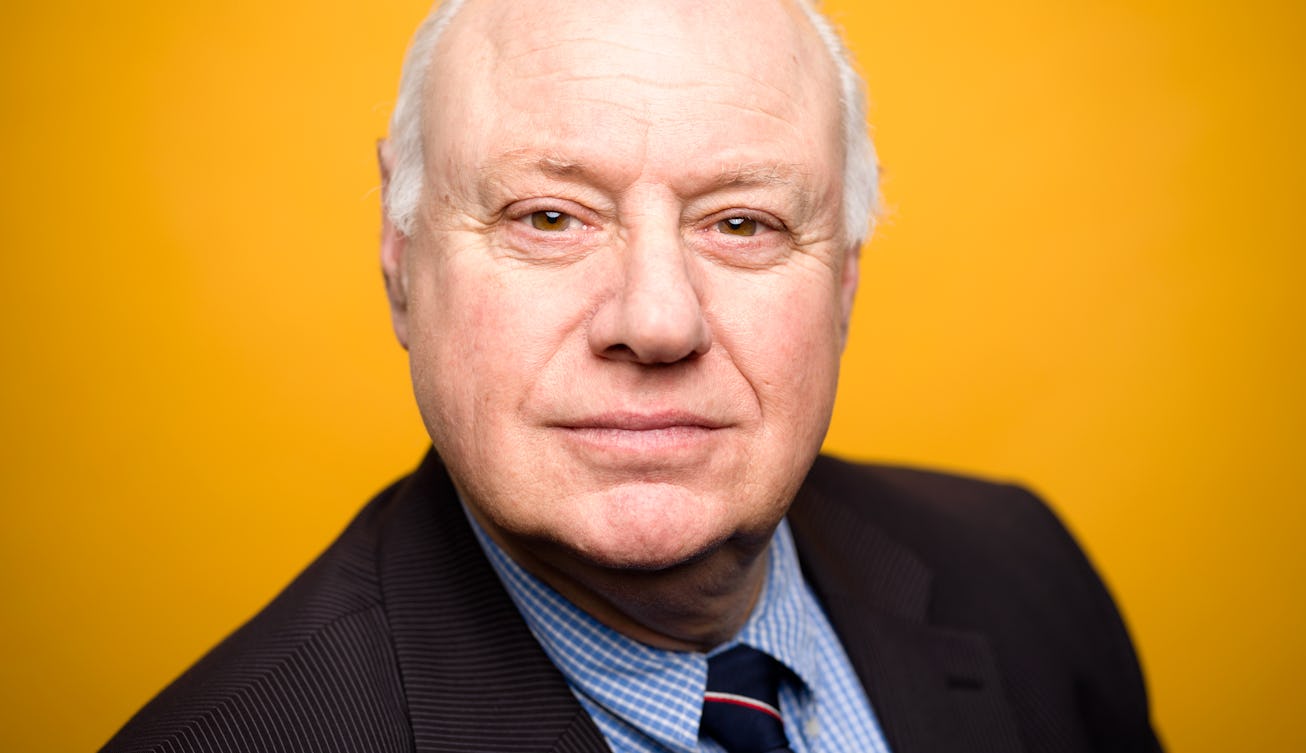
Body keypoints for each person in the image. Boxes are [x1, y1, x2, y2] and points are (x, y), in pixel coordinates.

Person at [102, 0, 1162, 751]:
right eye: (548, 217)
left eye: (743, 222)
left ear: (843, 277)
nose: (657, 321)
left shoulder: (1024, 573)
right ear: (401, 254)